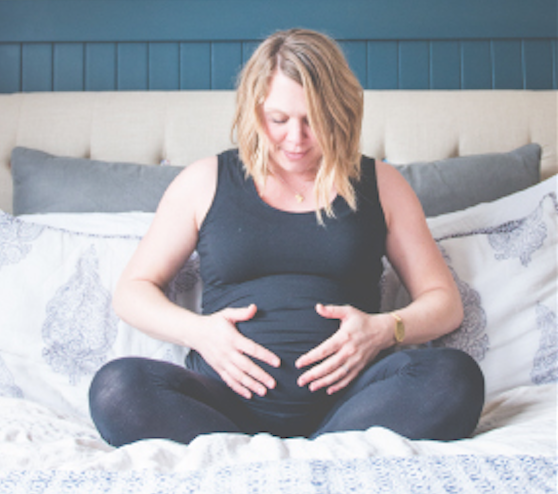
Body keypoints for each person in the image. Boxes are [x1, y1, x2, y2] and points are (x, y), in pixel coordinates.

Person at [89, 28, 485, 447]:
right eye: (278, 120)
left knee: (453, 379)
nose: (295, 139)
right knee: (117, 389)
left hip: (354, 403)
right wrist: (199, 332)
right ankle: (285, 455)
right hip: (222, 403)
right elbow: (131, 292)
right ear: (254, 110)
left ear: (340, 113)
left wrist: (385, 329)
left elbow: (445, 302)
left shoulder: (381, 184)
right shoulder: (204, 181)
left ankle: (311, 452)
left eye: (313, 120)